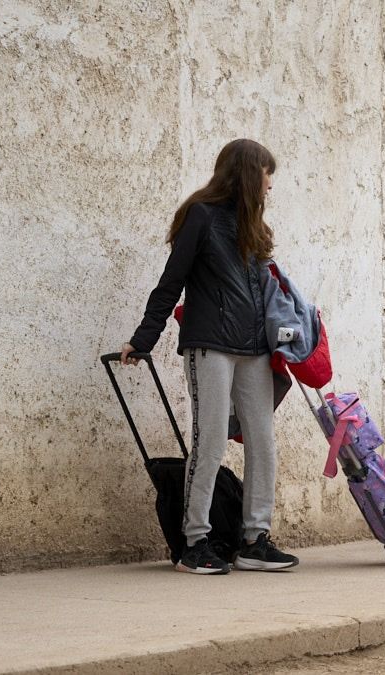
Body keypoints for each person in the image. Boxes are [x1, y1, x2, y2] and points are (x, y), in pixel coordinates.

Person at [120, 139, 298, 575]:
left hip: (255, 351)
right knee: (212, 439)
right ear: (246, 172)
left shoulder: (254, 226)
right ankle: (194, 542)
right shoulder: (201, 215)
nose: (270, 184)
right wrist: (144, 338)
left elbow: (263, 294)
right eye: (266, 173)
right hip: (211, 346)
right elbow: (171, 281)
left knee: (263, 442)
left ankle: (254, 539)